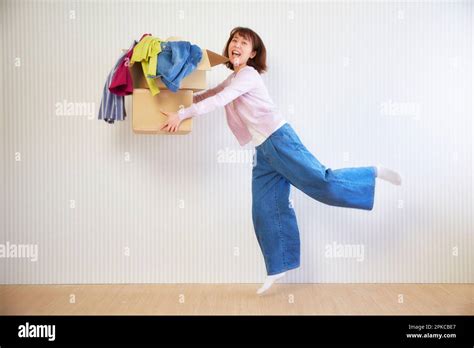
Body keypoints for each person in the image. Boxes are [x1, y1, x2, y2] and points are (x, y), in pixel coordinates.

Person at [161, 27, 402, 295]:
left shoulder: (249, 75)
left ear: (252, 54)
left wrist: (183, 116)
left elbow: (219, 100)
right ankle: (279, 266)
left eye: (244, 42)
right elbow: (210, 94)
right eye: (234, 41)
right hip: (263, 151)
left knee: (322, 183)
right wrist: (182, 105)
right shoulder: (233, 78)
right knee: (264, 208)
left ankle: (372, 173)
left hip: (280, 140)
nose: (236, 45)